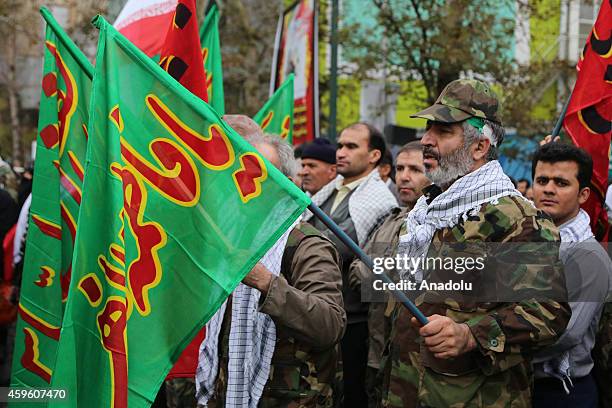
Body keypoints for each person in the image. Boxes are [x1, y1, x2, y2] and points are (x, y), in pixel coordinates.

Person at [380, 79, 571, 407]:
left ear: (480, 147)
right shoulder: (426, 212)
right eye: (428, 129)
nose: (426, 140)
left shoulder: (518, 219)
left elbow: (547, 314)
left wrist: (471, 336)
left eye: (442, 131)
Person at [196, 116, 345, 407]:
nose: (244, 183)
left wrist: (266, 283)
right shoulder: (232, 237)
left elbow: (329, 324)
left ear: (287, 185)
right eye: (239, 172)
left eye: (258, 174)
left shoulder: (306, 244)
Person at [304, 122, 397, 408]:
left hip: (352, 321)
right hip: (312, 312)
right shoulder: (329, 191)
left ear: (374, 156)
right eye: (340, 145)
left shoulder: (379, 200)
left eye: (351, 146)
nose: (341, 152)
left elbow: (337, 246)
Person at [347, 141, 430, 407]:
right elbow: (356, 270)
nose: (404, 177)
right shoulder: (391, 219)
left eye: (416, 169)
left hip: (413, 361)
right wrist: (380, 274)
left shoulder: (433, 224)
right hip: (377, 351)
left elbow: (406, 282)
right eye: (400, 168)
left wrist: (377, 272)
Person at [531, 142, 612, 408]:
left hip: (561, 392)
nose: (549, 189)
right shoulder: (525, 241)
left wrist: (485, 344)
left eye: (561, 183)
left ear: (583, 194)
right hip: (520, 384)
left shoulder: (588, 256)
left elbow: (565, 334)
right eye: (542, 180)